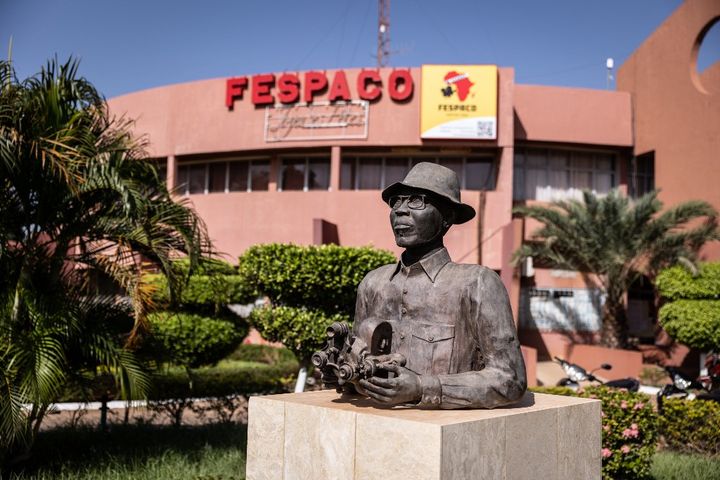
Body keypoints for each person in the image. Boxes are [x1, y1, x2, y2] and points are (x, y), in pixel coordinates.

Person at [352, 162, 527, 409]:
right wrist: (345, 374)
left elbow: (510, 379)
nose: (401, 210)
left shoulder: (477, 283)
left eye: (417, 201)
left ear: (448, 217)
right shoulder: (373, 283)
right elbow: (358, 361)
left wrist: (424, 387)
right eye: (397, 201)